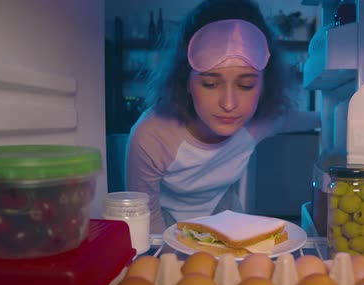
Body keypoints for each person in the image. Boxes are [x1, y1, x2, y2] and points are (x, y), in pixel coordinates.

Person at [126, 0, 320, 234]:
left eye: (246, 85)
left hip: (225, 212)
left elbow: (308, 118)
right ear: (185, 81)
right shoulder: (151, 136)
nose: (229, 104)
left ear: (264, 86)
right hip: (164, 221)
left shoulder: (260, 122)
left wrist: (343, 114)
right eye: (210, 83)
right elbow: (144, 215)